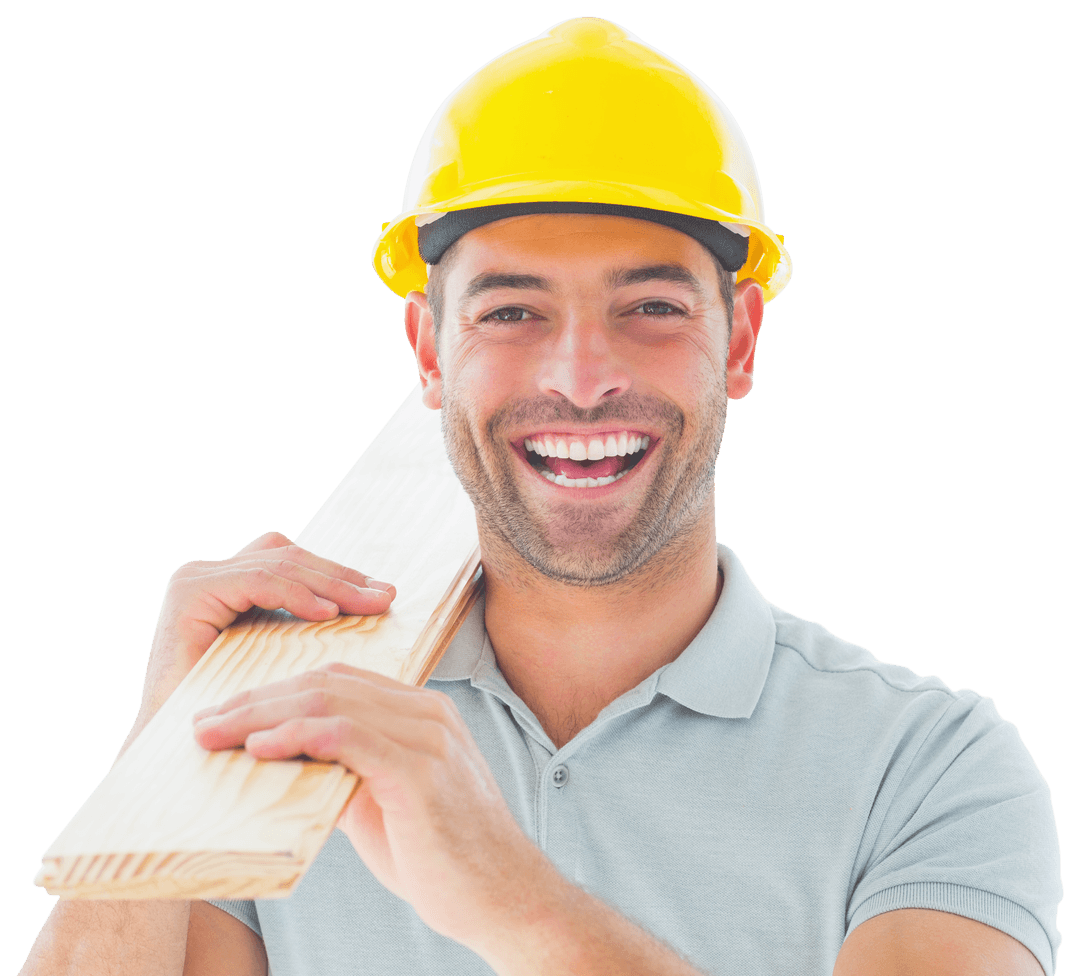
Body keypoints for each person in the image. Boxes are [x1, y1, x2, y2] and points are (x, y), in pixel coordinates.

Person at [21, 16, 1061, 976]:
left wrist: (510, 899)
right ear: (430, 352)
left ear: (738, 340)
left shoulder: (929, 766)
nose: (579, 374)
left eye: (649, 305)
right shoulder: (306, 723)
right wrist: (160, 751)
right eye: (513, 310)